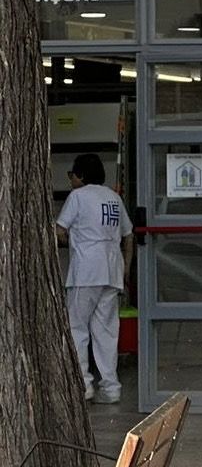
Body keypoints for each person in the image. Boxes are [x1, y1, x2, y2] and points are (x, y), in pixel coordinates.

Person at [56, 152, 133, 405]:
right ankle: (111, 388)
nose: (70, 180)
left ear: (80, 175)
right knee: (106, 331)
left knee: (77, 328)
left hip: (86, 271)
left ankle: (84, 384)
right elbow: (128, 234)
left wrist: (71, 240)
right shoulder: (114, 197)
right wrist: (126, 266)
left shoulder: (77, 197)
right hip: (112, 270)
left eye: (71, 174)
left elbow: (60, 230)